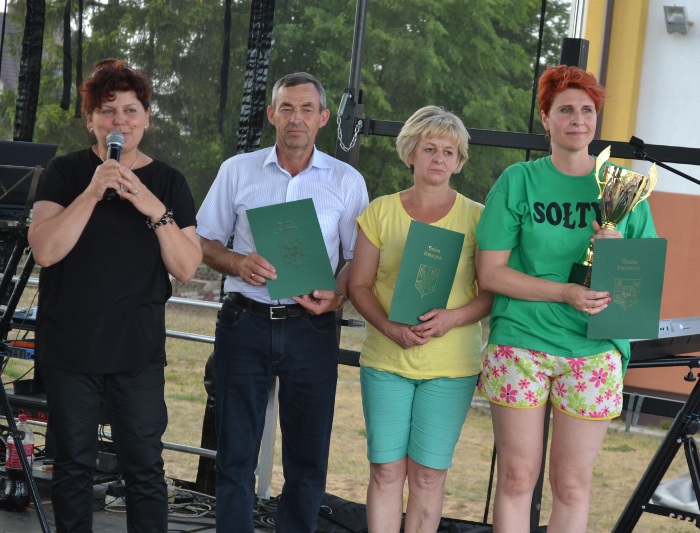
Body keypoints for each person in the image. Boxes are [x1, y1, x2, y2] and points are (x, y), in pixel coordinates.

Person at [475, 65, 658, 533]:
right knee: (517, 478)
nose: (578, 119)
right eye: (566, 110)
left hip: (593, 350)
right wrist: (565, 293)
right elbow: (490, 273)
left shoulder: (623, 188)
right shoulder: (518, 180)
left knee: (572, 486)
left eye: (587, 110)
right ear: (546, 118)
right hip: (522, 342)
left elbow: (639, 290)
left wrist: (619, 253)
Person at [28, 58, 202, 532]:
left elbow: (186, 267)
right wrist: (91, 192)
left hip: (137, 350)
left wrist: (152, 206)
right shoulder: (65, 173)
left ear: (146, 119)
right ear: (90, 120)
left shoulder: (168, 182)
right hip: (71, 348)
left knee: (144, 469)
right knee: (72, 467)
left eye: (129, 110)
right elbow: (45, 251)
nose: (119, 121)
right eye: (107, 111)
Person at [195, 71, 369, 533]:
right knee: (235, 455)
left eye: (307, 109)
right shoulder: (237, 170)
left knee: (307, 459)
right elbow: (204, 241)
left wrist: (337, 295)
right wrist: (237, 263)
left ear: (324, 118)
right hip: (244, 322)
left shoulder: (347, 181)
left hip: (311, 328)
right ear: (271, 114)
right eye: (287, 108)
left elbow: (357, 259)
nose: (296, 118)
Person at [349, 106, 493, 532]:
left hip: (451, 366)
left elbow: (490, 293)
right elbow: (358, 286)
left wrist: (452, 318)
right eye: (429, 149)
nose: (439, 158)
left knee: (428, 476)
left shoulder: (478, 217)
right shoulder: (379, 211)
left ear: (460, 162)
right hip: (385, 361)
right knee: (386, 471)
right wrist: (389, 327)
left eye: (449, 152)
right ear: (410, 154)